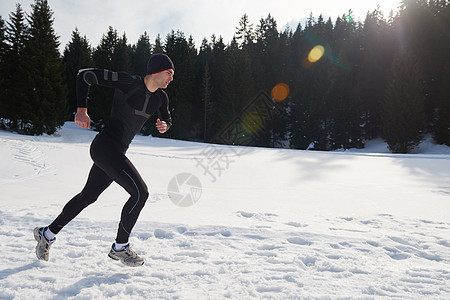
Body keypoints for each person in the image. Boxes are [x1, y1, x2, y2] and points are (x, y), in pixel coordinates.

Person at [34, 53, 174, 267]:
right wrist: (82, 110)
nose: (171, 78)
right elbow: (84, 75)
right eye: (169, 73)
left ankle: (47, 233)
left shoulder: (161, 98)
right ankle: (120, 247)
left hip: (117, 152)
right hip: (104, 147)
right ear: (156, 71)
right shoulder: (129, 83)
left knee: (87, 197)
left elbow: (167, 118)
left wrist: (164, 125)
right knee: (140, 193)